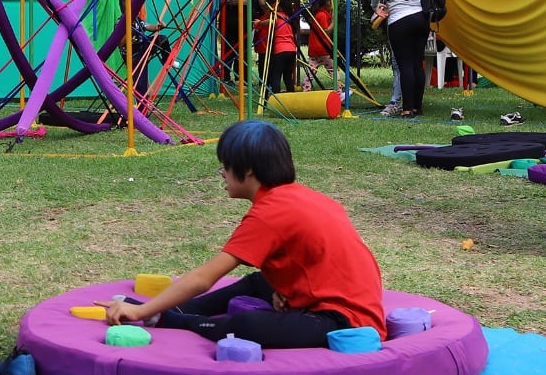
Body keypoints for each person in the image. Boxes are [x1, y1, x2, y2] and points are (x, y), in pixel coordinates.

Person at [104, 120, 386, 349]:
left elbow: (204, 278)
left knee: (247, 326)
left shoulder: (270, 212)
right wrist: (285, 291)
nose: (223, 175)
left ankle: (174, 319)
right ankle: (172, 309)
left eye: (225, 167)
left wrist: (140, 311)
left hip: (347, 322)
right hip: (330, 298)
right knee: (258, 283)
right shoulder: (299, 197)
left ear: (247, 170)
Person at [371, 0, 429, 118]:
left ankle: (406, 108)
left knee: (404, 64)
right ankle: (417, 107)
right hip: (420, 17)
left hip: (399, 18)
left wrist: (375, 5)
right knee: (416, 63)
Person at [263, 0, 299, 95]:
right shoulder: (289, 17)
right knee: (288, 76)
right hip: (291, 50)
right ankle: (291, 97)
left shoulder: (276, 15)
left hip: (280, 51)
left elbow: (269, 22)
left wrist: (258, 24)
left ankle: (276, 97)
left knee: (276, 75)